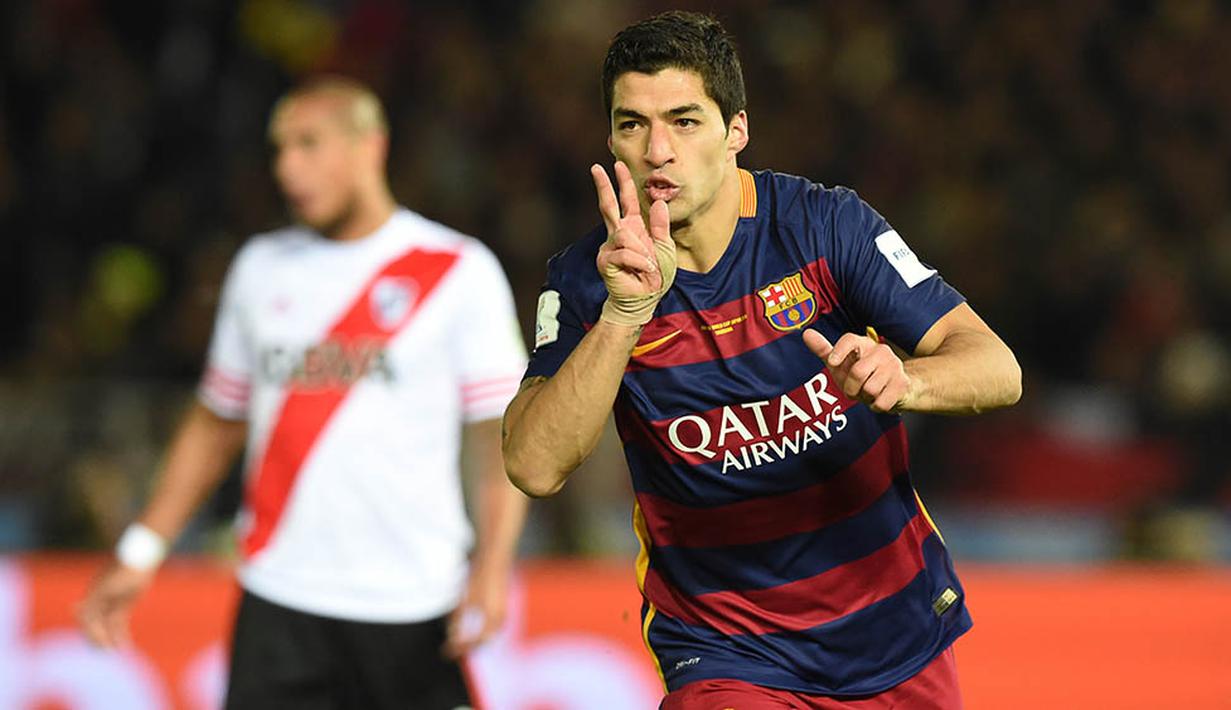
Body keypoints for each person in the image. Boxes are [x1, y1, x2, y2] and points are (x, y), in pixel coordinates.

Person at [502, 11, 1021, 709]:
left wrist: (907, 380)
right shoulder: (588, 281)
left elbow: (997, 368)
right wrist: (623, 317)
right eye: (633, 124)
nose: (657, 150)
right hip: (725, 650)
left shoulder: (824, 226)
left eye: (684, 121)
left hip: (892, 628)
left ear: (735, 131)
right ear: (612, 141)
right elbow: (533, 465)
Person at [78, 76, 529, 709]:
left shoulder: (456, 269)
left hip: (414, 601)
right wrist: (141, 549)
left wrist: (494, 563)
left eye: (309, 144)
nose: (288, 167)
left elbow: (498, 436)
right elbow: (216, 423)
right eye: (279, 149)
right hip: (279, 601)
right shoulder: (259, 269)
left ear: (370, 146)